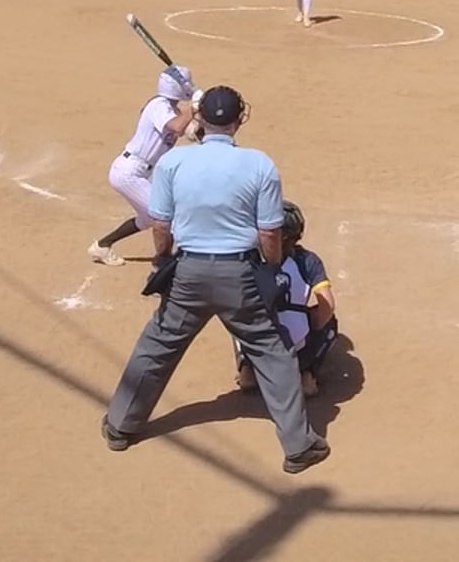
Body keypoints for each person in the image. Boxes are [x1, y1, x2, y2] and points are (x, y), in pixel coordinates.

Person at [101, 86, 331, 475]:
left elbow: (161, 224)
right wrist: (272, 268)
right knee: (272, 353)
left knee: (157, 347)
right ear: (239, 120)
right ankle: (299, 446)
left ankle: (121, 426)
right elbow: (270, 232)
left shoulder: (174, 162)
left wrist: (163, 261)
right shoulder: (259, 164)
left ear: (200, 119)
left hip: (188, 272)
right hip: (240, 274)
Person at [90, 67, 202, 266]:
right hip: (129, 171)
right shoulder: (158, 106)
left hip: (143, 172)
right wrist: (193, 108)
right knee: (166, 215)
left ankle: (102, 246)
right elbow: (176, 126)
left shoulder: (174, 111)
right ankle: (164, 263)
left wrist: (204, 108)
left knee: (148, 219)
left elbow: (192, 132)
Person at [234, 201, 338, 399]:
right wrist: (313, 323)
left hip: (257, 342)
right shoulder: (307, 260)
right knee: (329, 321)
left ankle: (248, 370)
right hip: (295, 346)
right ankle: (307, 373)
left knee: (238, 314)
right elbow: (328, 304)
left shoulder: (249, 258)